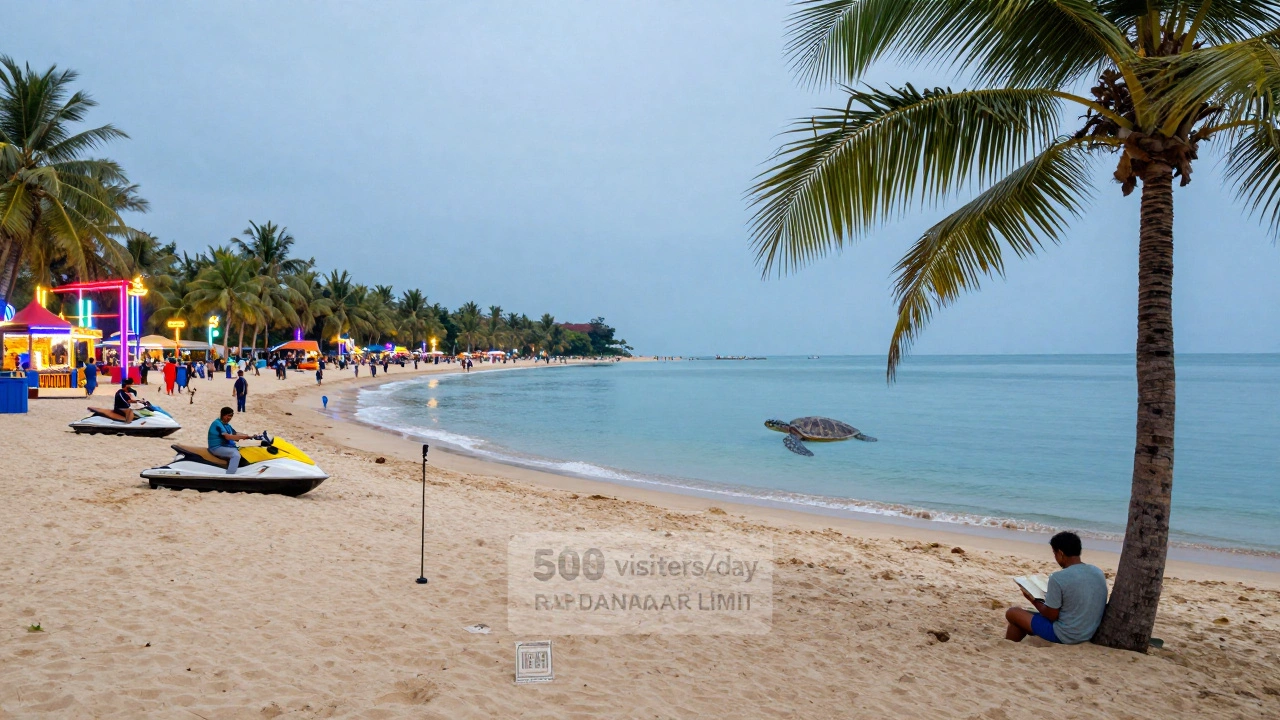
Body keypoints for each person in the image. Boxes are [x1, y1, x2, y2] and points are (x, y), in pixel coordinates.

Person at [1005, 531, 1109, 645]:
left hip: (1066, 634)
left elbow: (1051, 615)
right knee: (1019, 621)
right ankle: (1010, 646)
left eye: (1054, 553)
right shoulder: (1097, 572)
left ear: (1060, 553)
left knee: (1012, 613)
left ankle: (1007, 646)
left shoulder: (1058, 578)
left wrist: (1033, 600)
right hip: (1088, 632)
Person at [208, 406, 256, 474]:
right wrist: (242, 437)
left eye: (231, 416)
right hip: (216, 447)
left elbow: (235, 433)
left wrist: (249, 436)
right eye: (228, 416)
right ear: (223, 415)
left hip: (225, 446)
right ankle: (230, 476)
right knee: (235, 455)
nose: (230, 418)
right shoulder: (217, 424)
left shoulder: (227, 425)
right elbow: (228, 437)